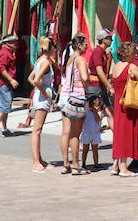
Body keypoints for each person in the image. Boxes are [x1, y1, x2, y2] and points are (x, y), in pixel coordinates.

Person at [109, 41, 138, 176]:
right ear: (128, 54)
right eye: (133, 52)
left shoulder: (116, 66)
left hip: (118, 104)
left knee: (118, 133)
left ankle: (115, 165)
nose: (135, 54)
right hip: (129, 105)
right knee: (126, 134)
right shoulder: (132, 67)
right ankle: (124, 168)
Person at [58, 35, 89, 175]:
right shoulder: (80, 59)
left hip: (65, 96)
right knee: (76, 133)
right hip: (76, 97)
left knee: (66, 132)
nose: (87, 46)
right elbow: (85, 77)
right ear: (79, 46)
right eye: (85, 44)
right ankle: (76, 165)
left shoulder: (69, 58)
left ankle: (66, 164)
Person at [27, 37, 57, 172]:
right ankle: (35, 161)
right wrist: (45, 93)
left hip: (38, 96)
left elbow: (30, 78)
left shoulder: (39, 60)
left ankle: (39, 158)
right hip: (42, 98)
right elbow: (36, 80)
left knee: (38, 130)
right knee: (37, 130)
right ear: (51, 48)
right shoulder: (45, 62)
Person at [0, 34, 21, 138]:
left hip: (4, 83)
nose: (15, 44)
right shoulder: (4, 53)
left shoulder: (8, 52)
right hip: (3, 83)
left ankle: (4, 128)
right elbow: (1, 68)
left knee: (5, 106)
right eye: (13, 42)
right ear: (7, 43)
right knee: (5, 107)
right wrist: (11, 79)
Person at [85, 29, 115, 128]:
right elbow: (99, 71)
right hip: (95, 87)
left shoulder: (102, 52)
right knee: (92, 114)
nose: (112, 40)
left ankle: (117, 141)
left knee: (110, 112)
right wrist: (109, 86)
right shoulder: (98, 52)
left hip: (100, 86)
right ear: (103, 40)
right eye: (110, 38)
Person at [78, 94, 102, 169]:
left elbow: (98, 120)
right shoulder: (86, 112)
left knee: (95, 150)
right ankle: (83, 163)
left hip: (95, 133)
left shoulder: (99, 112)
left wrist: (95, 111)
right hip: (86, 132)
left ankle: (96, 163)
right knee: (85, 149)